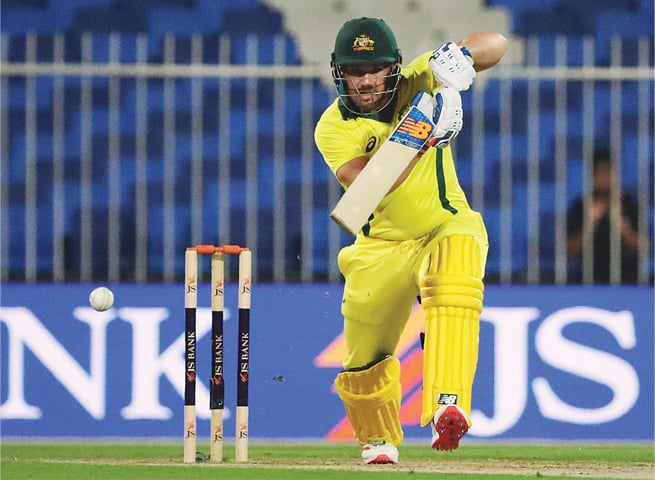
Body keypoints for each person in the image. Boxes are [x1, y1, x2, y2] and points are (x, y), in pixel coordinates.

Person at [314, 17, 507, 464]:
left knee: (456, 270)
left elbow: (495, 43)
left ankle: (447, 402)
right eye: (354, 71)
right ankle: (378, 439)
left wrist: (462, 58)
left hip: (444, 224)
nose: (365, 80)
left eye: (375, 69)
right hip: (378, 246)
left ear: (394, 68)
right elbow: (365, 190)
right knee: (363, 355)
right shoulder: (332, 127)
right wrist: (423, 137)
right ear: (339, 72)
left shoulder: (420, 78)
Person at [566, 148, 645, 284]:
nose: (605, 178)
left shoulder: (631, 205)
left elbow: (644, 246)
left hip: (628, 280)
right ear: (592, 176)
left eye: (608, 173)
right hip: (588, 279)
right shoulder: (579, 207)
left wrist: (622, 226)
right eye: (600, 174)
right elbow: (571, 250)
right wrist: (591, 223)